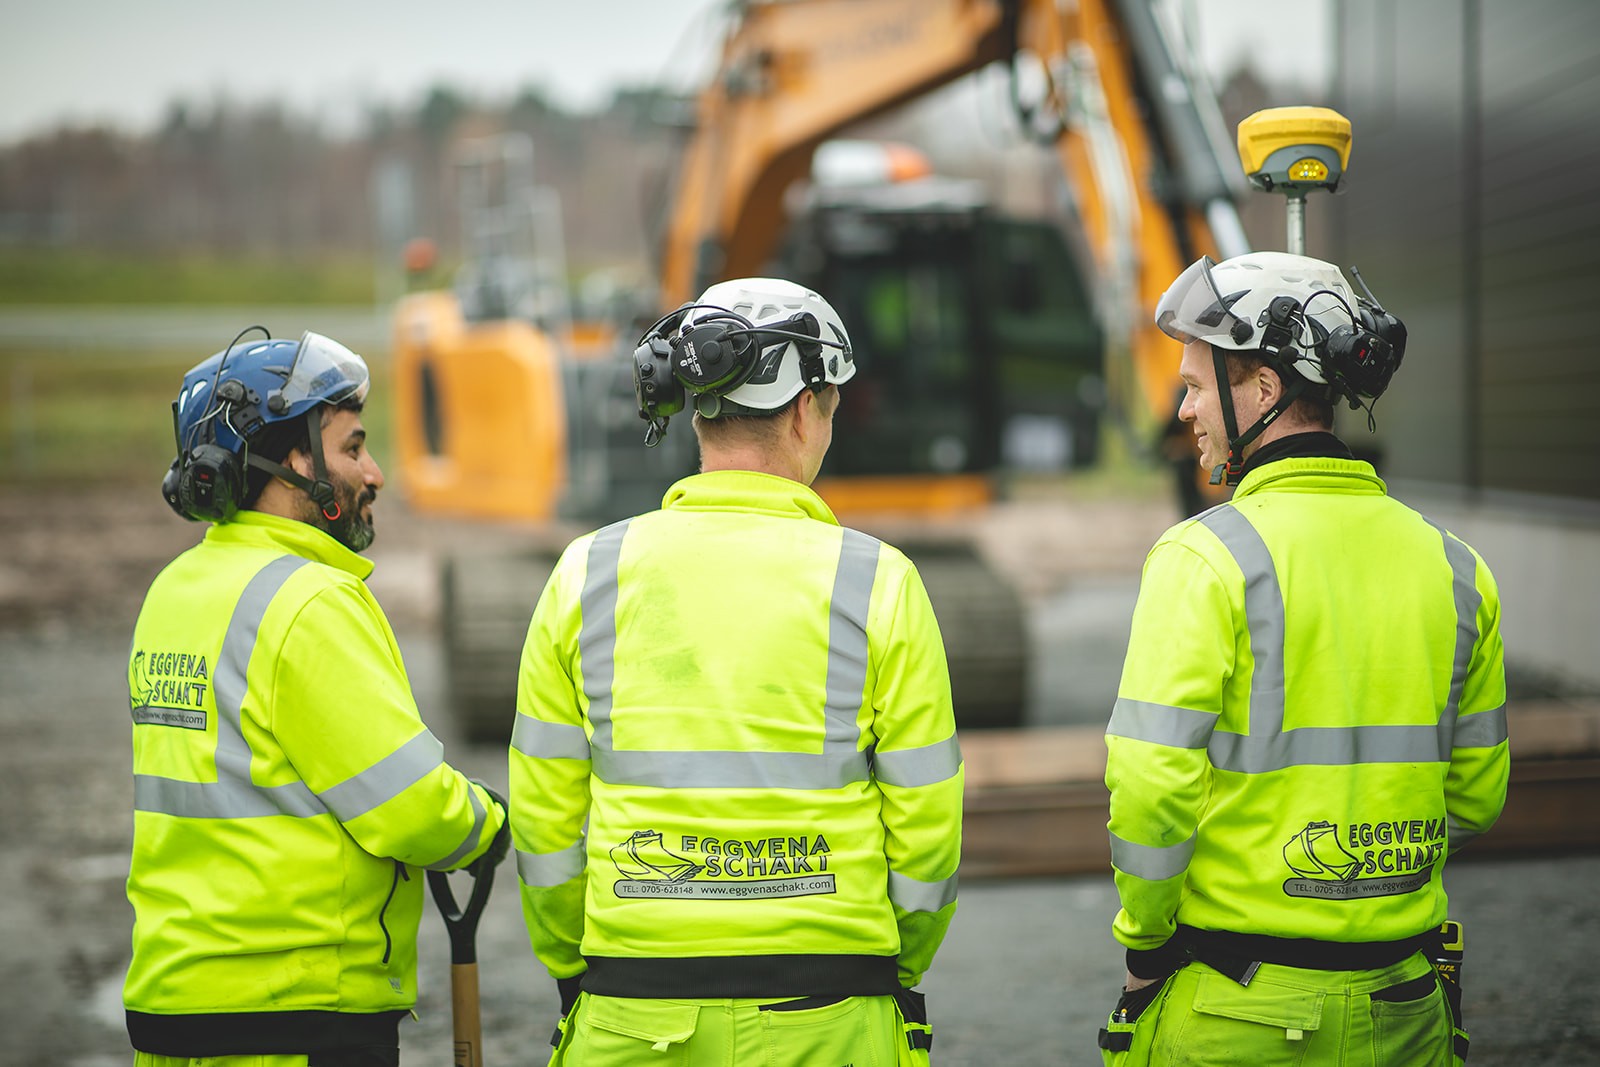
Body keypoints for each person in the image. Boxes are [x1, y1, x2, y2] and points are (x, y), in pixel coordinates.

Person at [509, 278, 963, 1066]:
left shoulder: (588, 571)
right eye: (830, 407)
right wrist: (895, 963)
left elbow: (544, 825)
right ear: (800, 410)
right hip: (831, 1009)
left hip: (630, 1009)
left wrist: (576, 964)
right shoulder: (877, 579)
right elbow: (926, 835)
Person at [1098, 252, 1510, 1066]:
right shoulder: (1456, 566)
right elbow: (1476, 795)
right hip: (1409, 1006)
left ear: (1261, 388)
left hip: (1240, 1007)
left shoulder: (1204, 558)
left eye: (1194, 385)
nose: (1183, 409)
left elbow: (1149, 792)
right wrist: (1363, 870)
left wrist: (1145, 946)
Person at [127, 328, 509, 1067]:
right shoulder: (307, 602)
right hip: (297, 1013)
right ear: (292, 461)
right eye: (353, 446)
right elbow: (408, 808)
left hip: (175, 1008)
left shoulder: (172, 593)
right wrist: (484, 824)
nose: (376, 472)